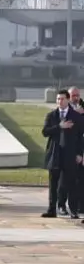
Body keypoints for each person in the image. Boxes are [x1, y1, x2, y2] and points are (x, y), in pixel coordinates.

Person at [43, 89, 83, 219]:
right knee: (53, 184)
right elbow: (45, 132)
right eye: (58, 99)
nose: (60, 101)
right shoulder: (52, 115)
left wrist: (79, 154)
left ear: (67, 100)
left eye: (62, 99)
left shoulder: (76, 116)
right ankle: (51, 210)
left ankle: (73, 210)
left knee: (71, 183)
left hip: (70, 155)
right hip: (55, 154)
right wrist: (59, 127)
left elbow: (80, 137)